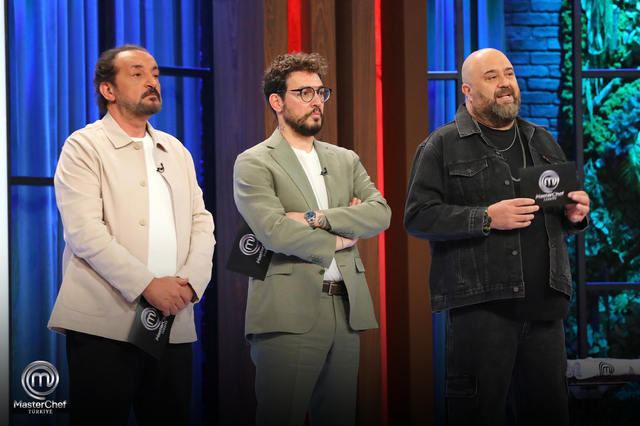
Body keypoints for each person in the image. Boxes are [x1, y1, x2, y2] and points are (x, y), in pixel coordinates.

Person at [404, 48, 590, 425]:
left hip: (545, 309)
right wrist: (486, 217)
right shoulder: (441, 145)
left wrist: (575, 216)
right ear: (468, 91)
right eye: (491, 77)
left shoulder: (542, 140)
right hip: (482, 312)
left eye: (509, 74)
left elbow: (561, 212)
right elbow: (418, 217)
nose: (505, 83)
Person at [48, 44, 215, 425]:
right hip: (104, 323)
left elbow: (202, 222)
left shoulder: (176, 150)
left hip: (173, 318)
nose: (152, 81)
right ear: (108, 89)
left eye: (155, 73)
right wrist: (147, 284)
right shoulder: (84, 145)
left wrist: (190, 285)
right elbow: (85, 232)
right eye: (137, 73)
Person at [233, 52, 391, 426]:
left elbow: (380, 213)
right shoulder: (254, 161)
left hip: (345, 309)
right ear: (277, 101)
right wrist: (341, 238)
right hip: (287, 311)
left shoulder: (345, 159)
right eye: (304, 92)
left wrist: (317, 218)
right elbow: (273, 230)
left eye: (321, 92)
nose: (317, 100)